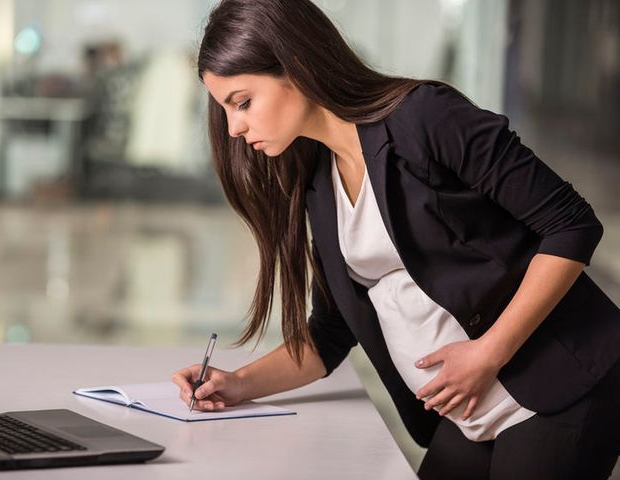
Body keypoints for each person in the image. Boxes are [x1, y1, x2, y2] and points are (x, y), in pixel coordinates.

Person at [171, 0, 620, 478]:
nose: (235, 128)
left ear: (295, 67)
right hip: (468, 410)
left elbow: (571, 224)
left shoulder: (425, 117)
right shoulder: (318, 180)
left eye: (242, 102)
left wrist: (488, 353)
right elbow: (330, 333)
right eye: (226, 111)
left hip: (560, 384)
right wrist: (237, 383)